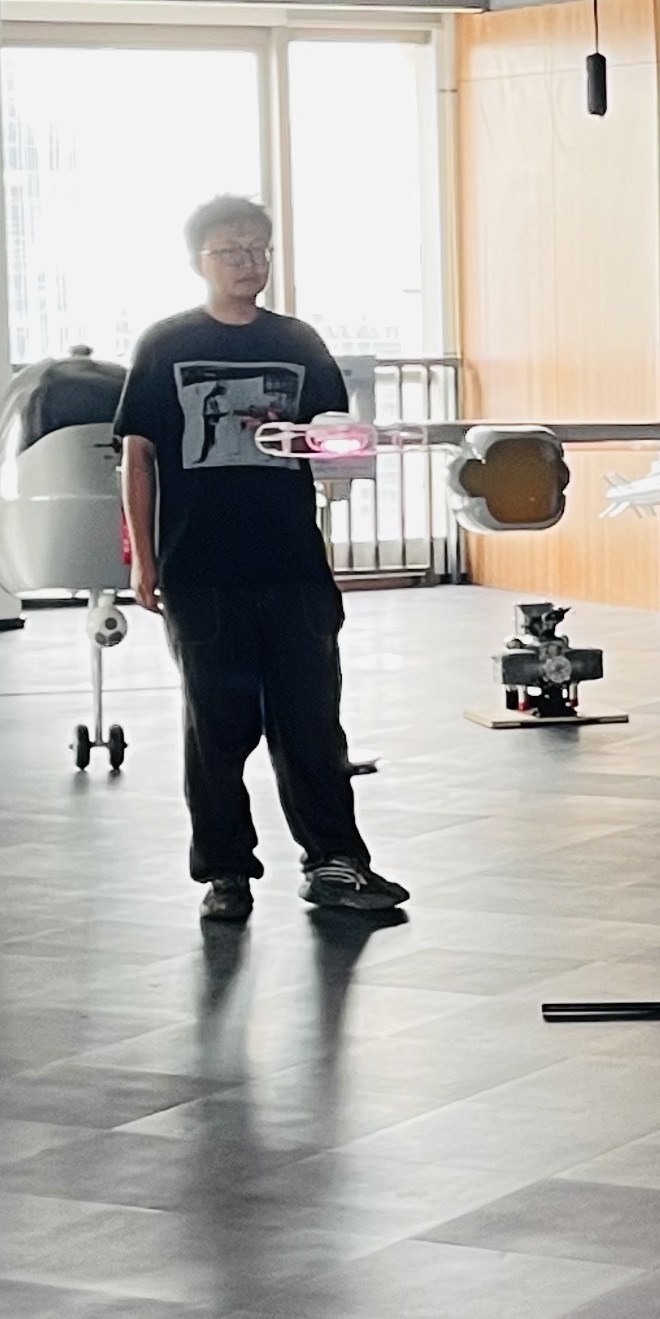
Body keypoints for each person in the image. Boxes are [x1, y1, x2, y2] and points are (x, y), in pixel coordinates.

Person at [117, 194, 409, 925]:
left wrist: (330, 445)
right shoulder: (166, 344)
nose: (248, 262)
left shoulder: (299, 342)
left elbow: (335, 439)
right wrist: (143, 560)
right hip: (199, 564)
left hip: (292, 562)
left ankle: (335, 861)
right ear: (198, 261)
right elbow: (138, 457)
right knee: (216, 727)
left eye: (259, 249)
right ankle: (225, 872)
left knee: (312, 720)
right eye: (231, 250)